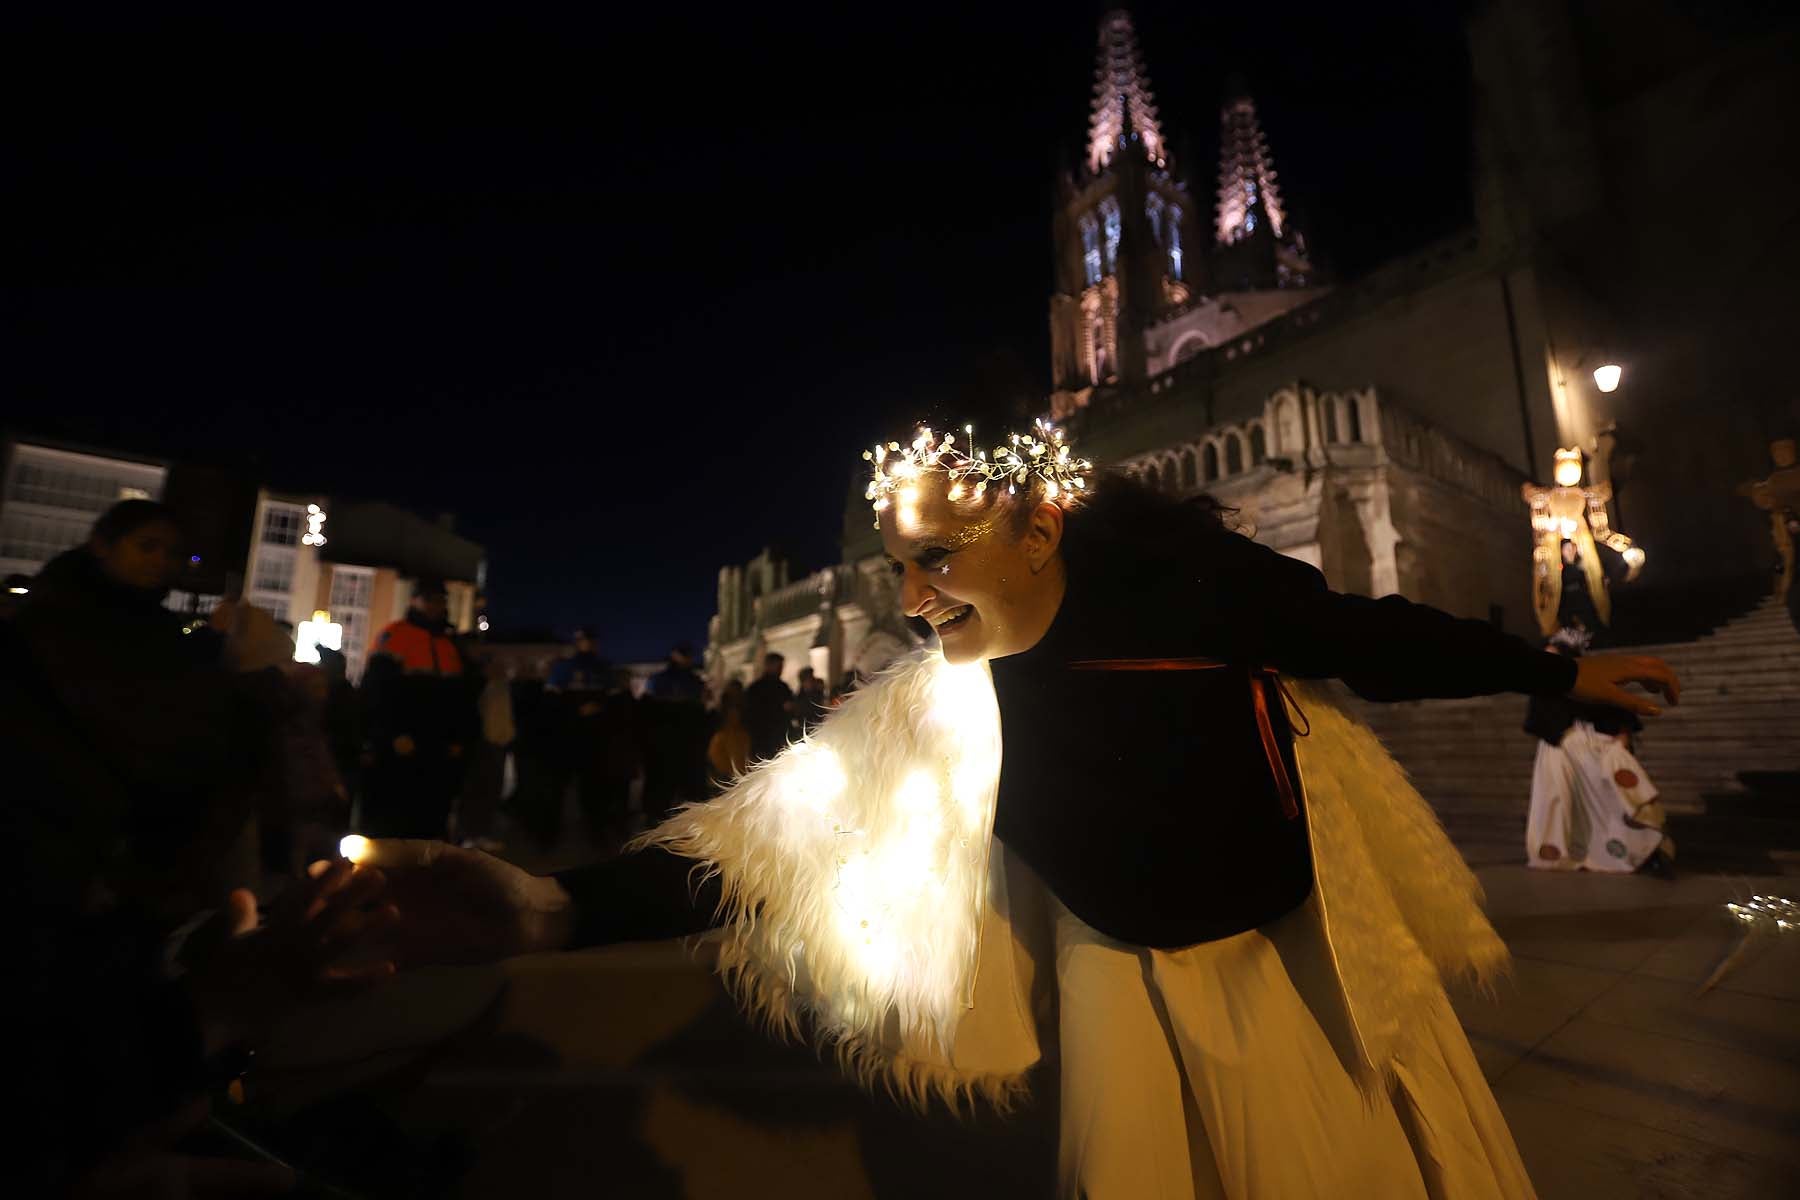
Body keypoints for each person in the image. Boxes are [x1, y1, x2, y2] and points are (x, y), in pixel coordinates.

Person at [360, 422, 1681, 1199]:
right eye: (898, 568)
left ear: (1041, 530)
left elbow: (1362, 635)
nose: (916, 598)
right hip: (1121, 969)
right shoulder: (945, 698)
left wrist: (1555, 666)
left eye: (938, 559)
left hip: (1288, 951)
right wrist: (543, 905)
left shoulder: (1186, 588)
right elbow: (772, 838)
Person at [1524, 626, 1673, 875]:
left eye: (1555, 656)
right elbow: (1541, 721)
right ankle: (1564, 853)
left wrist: (1622, 735)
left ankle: (1643, 852)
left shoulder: (1584, 683)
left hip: (1591, 747)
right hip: (1558, 751)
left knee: (1612, 799)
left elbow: (1614, 707)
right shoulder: (1542, 687)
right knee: (1558, 801)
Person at [361, 580, 475, 840]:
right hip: (403, 744)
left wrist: (458, 738)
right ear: (414, 601)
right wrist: (392, 734)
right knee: (396, 814)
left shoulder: (449, 644)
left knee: (434, 813)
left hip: (439, 746)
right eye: (429, 599)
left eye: (440, 600)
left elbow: (460, 699)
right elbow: (378, 693)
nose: (436, 606)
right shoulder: (395, 635)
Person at [642, 643, 709, 822]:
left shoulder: (693, 681)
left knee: (675, 786)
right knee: (665, 785)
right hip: (669, 741)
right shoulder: (663, 680)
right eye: (684, 655)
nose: (688, 659)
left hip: (681, 742)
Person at [742, 651, 793, 761]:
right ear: (768, 666)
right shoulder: (757, 689)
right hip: (763, 738)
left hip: (775, 738)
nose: (780, 669)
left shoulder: (782, 687)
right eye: (778, 666)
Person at [705, 677, 751, 786]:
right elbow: (715, 757)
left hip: (737, 777)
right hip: (727, 778)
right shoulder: (720, 735)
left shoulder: (744, 734)